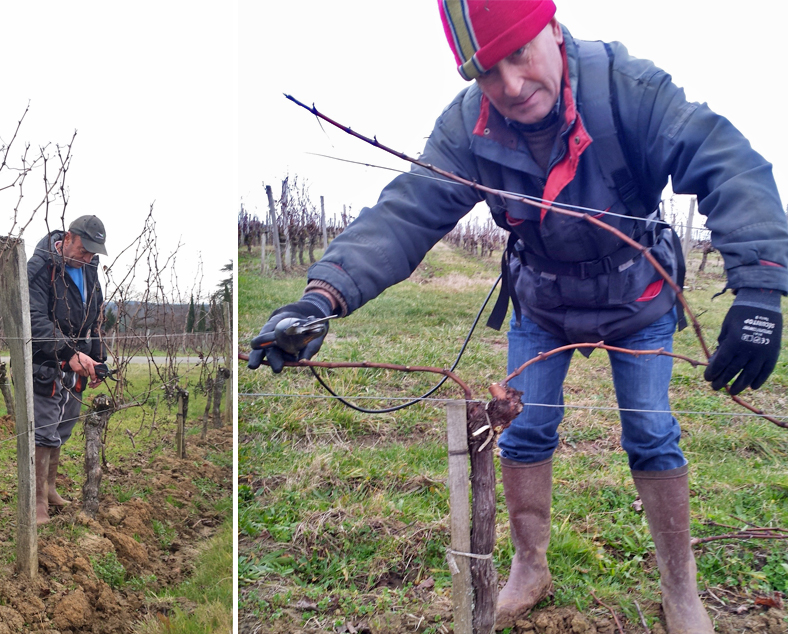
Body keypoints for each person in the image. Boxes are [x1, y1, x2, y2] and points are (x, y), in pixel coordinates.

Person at [248, 2, 787, 632]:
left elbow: (726, 160)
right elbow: (407, 214)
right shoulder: (468, 128)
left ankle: (681, 587)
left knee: (651, 433)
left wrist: (758, 292)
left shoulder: (628, 91)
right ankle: (530, 568)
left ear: (552, 32)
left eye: (519, 54)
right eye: (484, 71)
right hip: (544, 302)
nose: (508, 85)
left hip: (638, 299)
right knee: (525, 431)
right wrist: (320, 299)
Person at [27, 215, 107, 524]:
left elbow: (95, 316)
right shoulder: (40, 267)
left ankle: (49, 488)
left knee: (64, 424)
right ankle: (35, 504)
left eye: (93, 252)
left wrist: (96, 358)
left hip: (76, 360)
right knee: (43, 427)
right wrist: (66, 351)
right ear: (69, 237)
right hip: (45, 359)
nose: (88, 257)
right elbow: (33, 318)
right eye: (84, 249)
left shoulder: (89, 270)